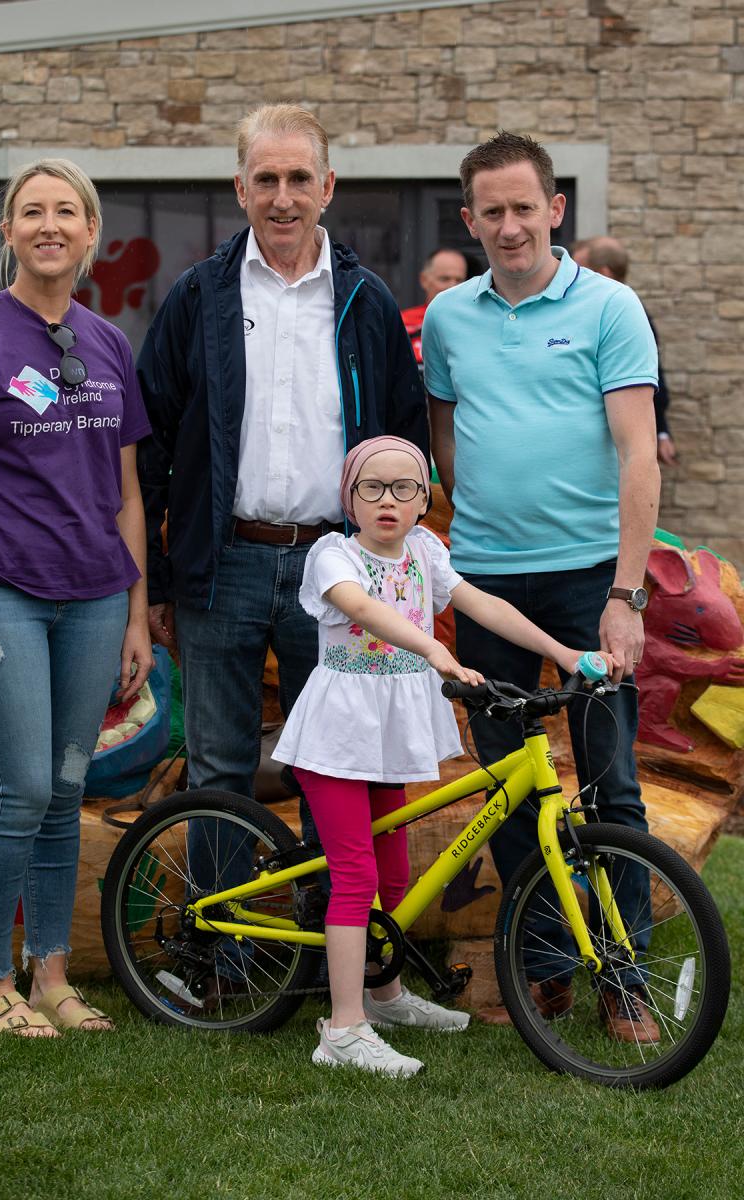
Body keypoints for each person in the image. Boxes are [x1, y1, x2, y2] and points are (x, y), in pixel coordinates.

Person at [136, 105, 428, 854]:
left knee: (335, 770)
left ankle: (326, 924)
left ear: (327, 186)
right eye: (265, 179)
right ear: (241, 188)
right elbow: (149, 444)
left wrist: (397, 569)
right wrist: (159, 581)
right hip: (221, 564)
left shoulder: (365, 301)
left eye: (300, 178)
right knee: (218, 768)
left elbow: (406, 442)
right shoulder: (199, 296)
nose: (283, 198)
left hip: (338, 569)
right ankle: (224, 928)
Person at [424, 132, 662, 1042]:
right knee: (511, 787)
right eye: (492, 211)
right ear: (470, 219)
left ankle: (627, 978)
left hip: (589, 583)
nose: (511, 225)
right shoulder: (449, 318)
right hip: (488, 586)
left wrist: (626, 596)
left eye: (525, 207)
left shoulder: (610, 306)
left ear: (555, 209)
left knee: (611, 786)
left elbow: (639, 455)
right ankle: (547, 966)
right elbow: (448, 439)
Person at [273, 436, 608, 1075]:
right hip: (338, 734)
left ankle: (385, 996)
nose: (388, 500)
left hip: (390, 732)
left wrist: (564, 653)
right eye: (371, 487)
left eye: (405, 488)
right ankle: (342, 1030)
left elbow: (484, 604)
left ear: (424, 500)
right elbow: (361, 608)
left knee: (395, 875)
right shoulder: (333, 555)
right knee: (355, 877)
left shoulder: (426, 551)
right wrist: (433, 649)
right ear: (349, 499)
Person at [0, 158, 153, 1035]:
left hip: (96, 598)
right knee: (22, 789)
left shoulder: (108, 344)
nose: (49, 226)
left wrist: (137, 613)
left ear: (91, 231)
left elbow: (128, 493)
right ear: (9, 231)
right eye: (32, 212)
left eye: (66, 211)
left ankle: (52, 979)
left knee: (67, 790)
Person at [571, 236, 677, 466]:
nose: (570, 276)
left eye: (580, 270)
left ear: (604, 273)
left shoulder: (627, 318)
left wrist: (661, 432)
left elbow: (650, 381)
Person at [401, 248, 469, 368]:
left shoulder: (474, 323)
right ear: (424, 280)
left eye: (459, 280)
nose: (453, 286)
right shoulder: (402, 322)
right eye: (444, 279)